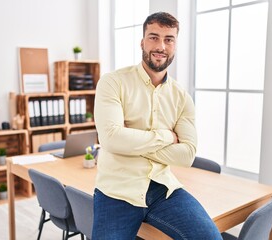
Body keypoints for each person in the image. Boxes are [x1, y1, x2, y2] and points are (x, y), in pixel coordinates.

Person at [92, 12, 222, 240]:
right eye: (153, 37)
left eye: (169, 39)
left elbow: (186, 156)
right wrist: (165, 136)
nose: (161, 46)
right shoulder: (112, 82)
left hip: (164, 189)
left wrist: (130, 142)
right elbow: (111, 139)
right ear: (142, 41)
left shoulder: (182, 97)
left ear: (175, 45)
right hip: (116, 192)